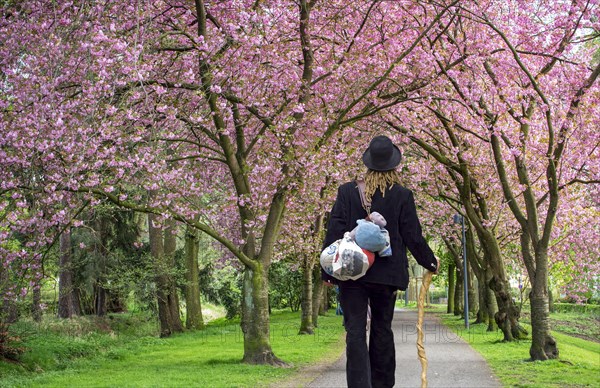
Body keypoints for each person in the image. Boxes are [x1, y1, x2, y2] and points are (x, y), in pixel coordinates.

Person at [322, 135, 438, 388]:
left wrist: (328, 273)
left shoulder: (347, 191)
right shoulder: (402, 195)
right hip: (386, 275)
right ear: (395, 165)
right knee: (382, 329)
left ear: (368, 162)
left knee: (354, 331)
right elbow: (412, 235)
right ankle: (382, 384)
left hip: (352, 272)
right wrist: (429, 261)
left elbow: (335, 229)